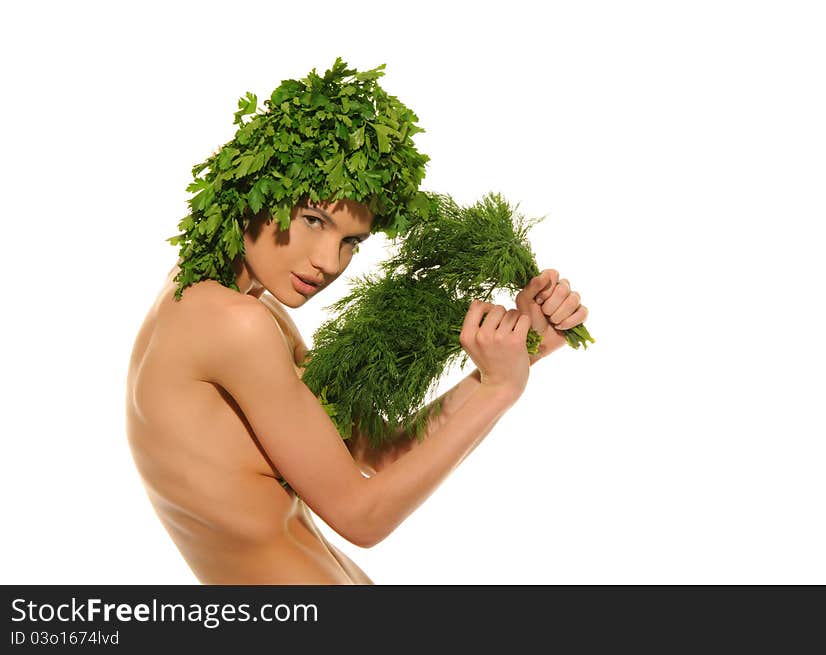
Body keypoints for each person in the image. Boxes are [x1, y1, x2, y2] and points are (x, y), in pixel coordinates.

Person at [126, 60, 589, 584]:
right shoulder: (233, 324)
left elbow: (376, 451)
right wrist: (500, 390)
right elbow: (362, 517)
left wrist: (520, 350)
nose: (328, 260)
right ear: (253, 187)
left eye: (351, 241)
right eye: (313, 220)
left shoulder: (242, 307)